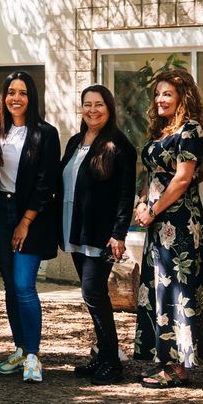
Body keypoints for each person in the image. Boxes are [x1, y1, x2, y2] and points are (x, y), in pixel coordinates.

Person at [134, 67, 203, 388]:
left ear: (182, 97)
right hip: (156, 221)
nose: (160, 99)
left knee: (178, 288)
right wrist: (141, 202)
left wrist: (153, 208)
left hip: (180, 223)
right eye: (157, 94)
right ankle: (162, 359)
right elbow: (151, 174)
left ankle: (178, 365)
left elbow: (182, 179)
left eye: (167, 94)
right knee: (157, 288)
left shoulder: (191, 130)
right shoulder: (161, 129)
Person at [60, 85, 136, 385]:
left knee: (93, 293)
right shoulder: (76, 141)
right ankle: (103, 356)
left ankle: (112, 362)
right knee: (91, 295)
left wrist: (119, 233)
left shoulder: (119, 145)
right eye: (87, 104)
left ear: (110, 108)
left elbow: (125, 194)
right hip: (76, 229)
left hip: (101, 234)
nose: (93, 110)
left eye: (99, 105)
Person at [0, 71, 61, 383]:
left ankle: (33, 354)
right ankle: (20, 349)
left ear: (31, 98)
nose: (15, 98)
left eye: (22, 92)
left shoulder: (45, 133)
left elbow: (47, 182)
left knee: (23, 285)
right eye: (11, 92)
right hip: (1, 211)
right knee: (9, 285)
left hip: (30, 215)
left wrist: (25, 222)